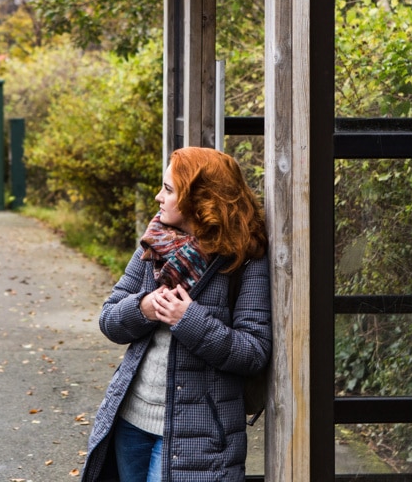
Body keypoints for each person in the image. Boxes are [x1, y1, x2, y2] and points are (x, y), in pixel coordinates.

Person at [81, 146, 271, 482]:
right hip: (131, 418)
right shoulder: (155, 242)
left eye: (168, 190)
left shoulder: (245, 259)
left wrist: (189, 320)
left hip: (199, 434)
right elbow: (109, 319)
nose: (158, 197)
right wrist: (144, 308)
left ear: (201, 200)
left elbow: (253, 352)